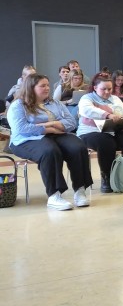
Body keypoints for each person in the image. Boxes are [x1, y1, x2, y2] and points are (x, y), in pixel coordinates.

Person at [7, 74, 93, 210]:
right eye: (42, 86)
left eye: (48, 85)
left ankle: (79, 190)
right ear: (31, 88)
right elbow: (21, 128)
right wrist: (48, 129)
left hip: (56, 134)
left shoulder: (55, 103)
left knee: (78, 147)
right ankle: (54, 195)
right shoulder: (18, 105)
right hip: (25, 140)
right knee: (50, 151)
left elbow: (71, 122)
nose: (47, 88)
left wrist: (52, 123)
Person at [76, 74, 123, 193]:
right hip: (90, 133)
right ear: (95, 88)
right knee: (106, 142)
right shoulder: (87, 98)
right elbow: (87, 110)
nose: (107, 92)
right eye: (103, 89)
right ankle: (107, 177)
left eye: (109, 89)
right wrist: (108, 114)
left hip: (113, 131)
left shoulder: (115, 99)